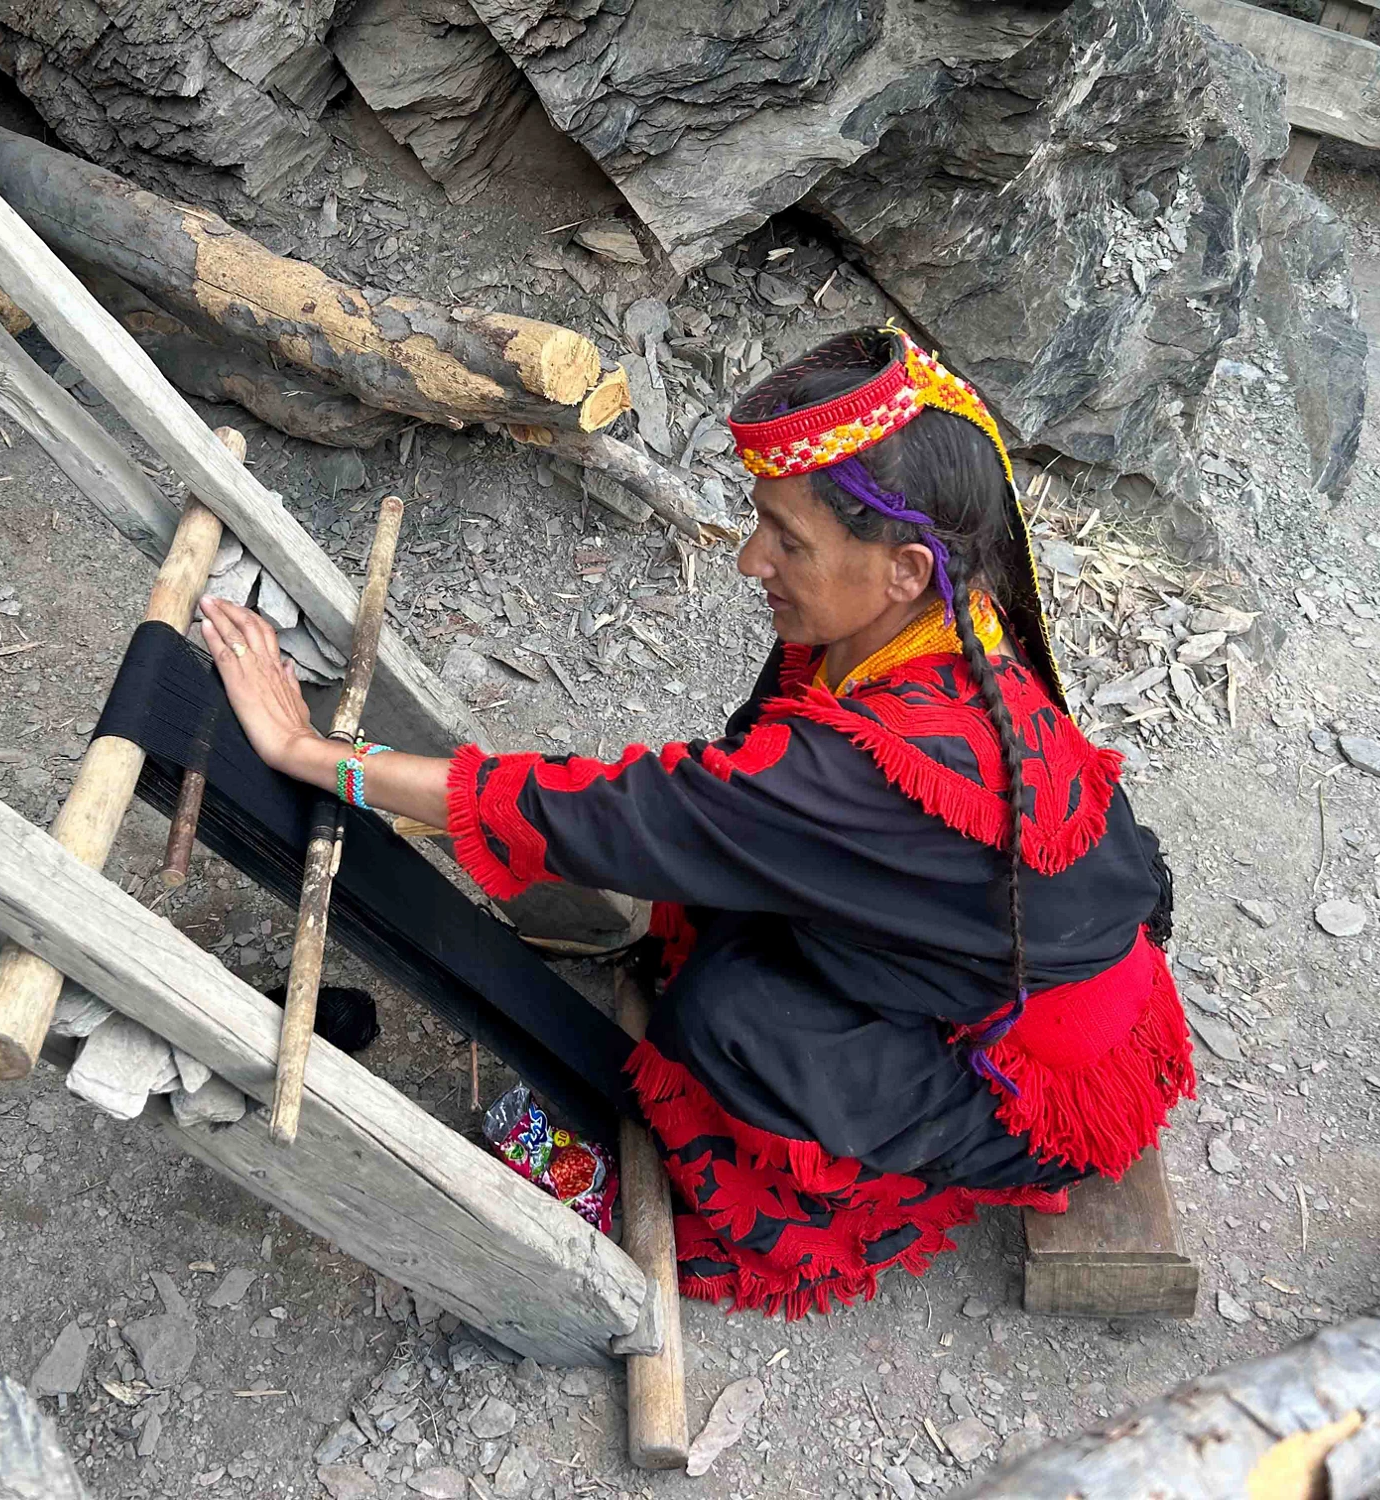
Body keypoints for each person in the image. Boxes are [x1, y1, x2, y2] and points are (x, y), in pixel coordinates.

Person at [200, 327, 1192, 1320]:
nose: (751, 559)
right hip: (1040, 973)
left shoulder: (873, 761)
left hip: (1046, 1084)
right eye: (761, 525)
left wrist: (310, 755)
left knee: (727, 1019)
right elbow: (700, 805)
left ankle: (920, 1159)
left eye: (788, 542)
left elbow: (616, 813)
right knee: (722, 932)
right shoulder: (938, 625)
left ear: (901, 567)